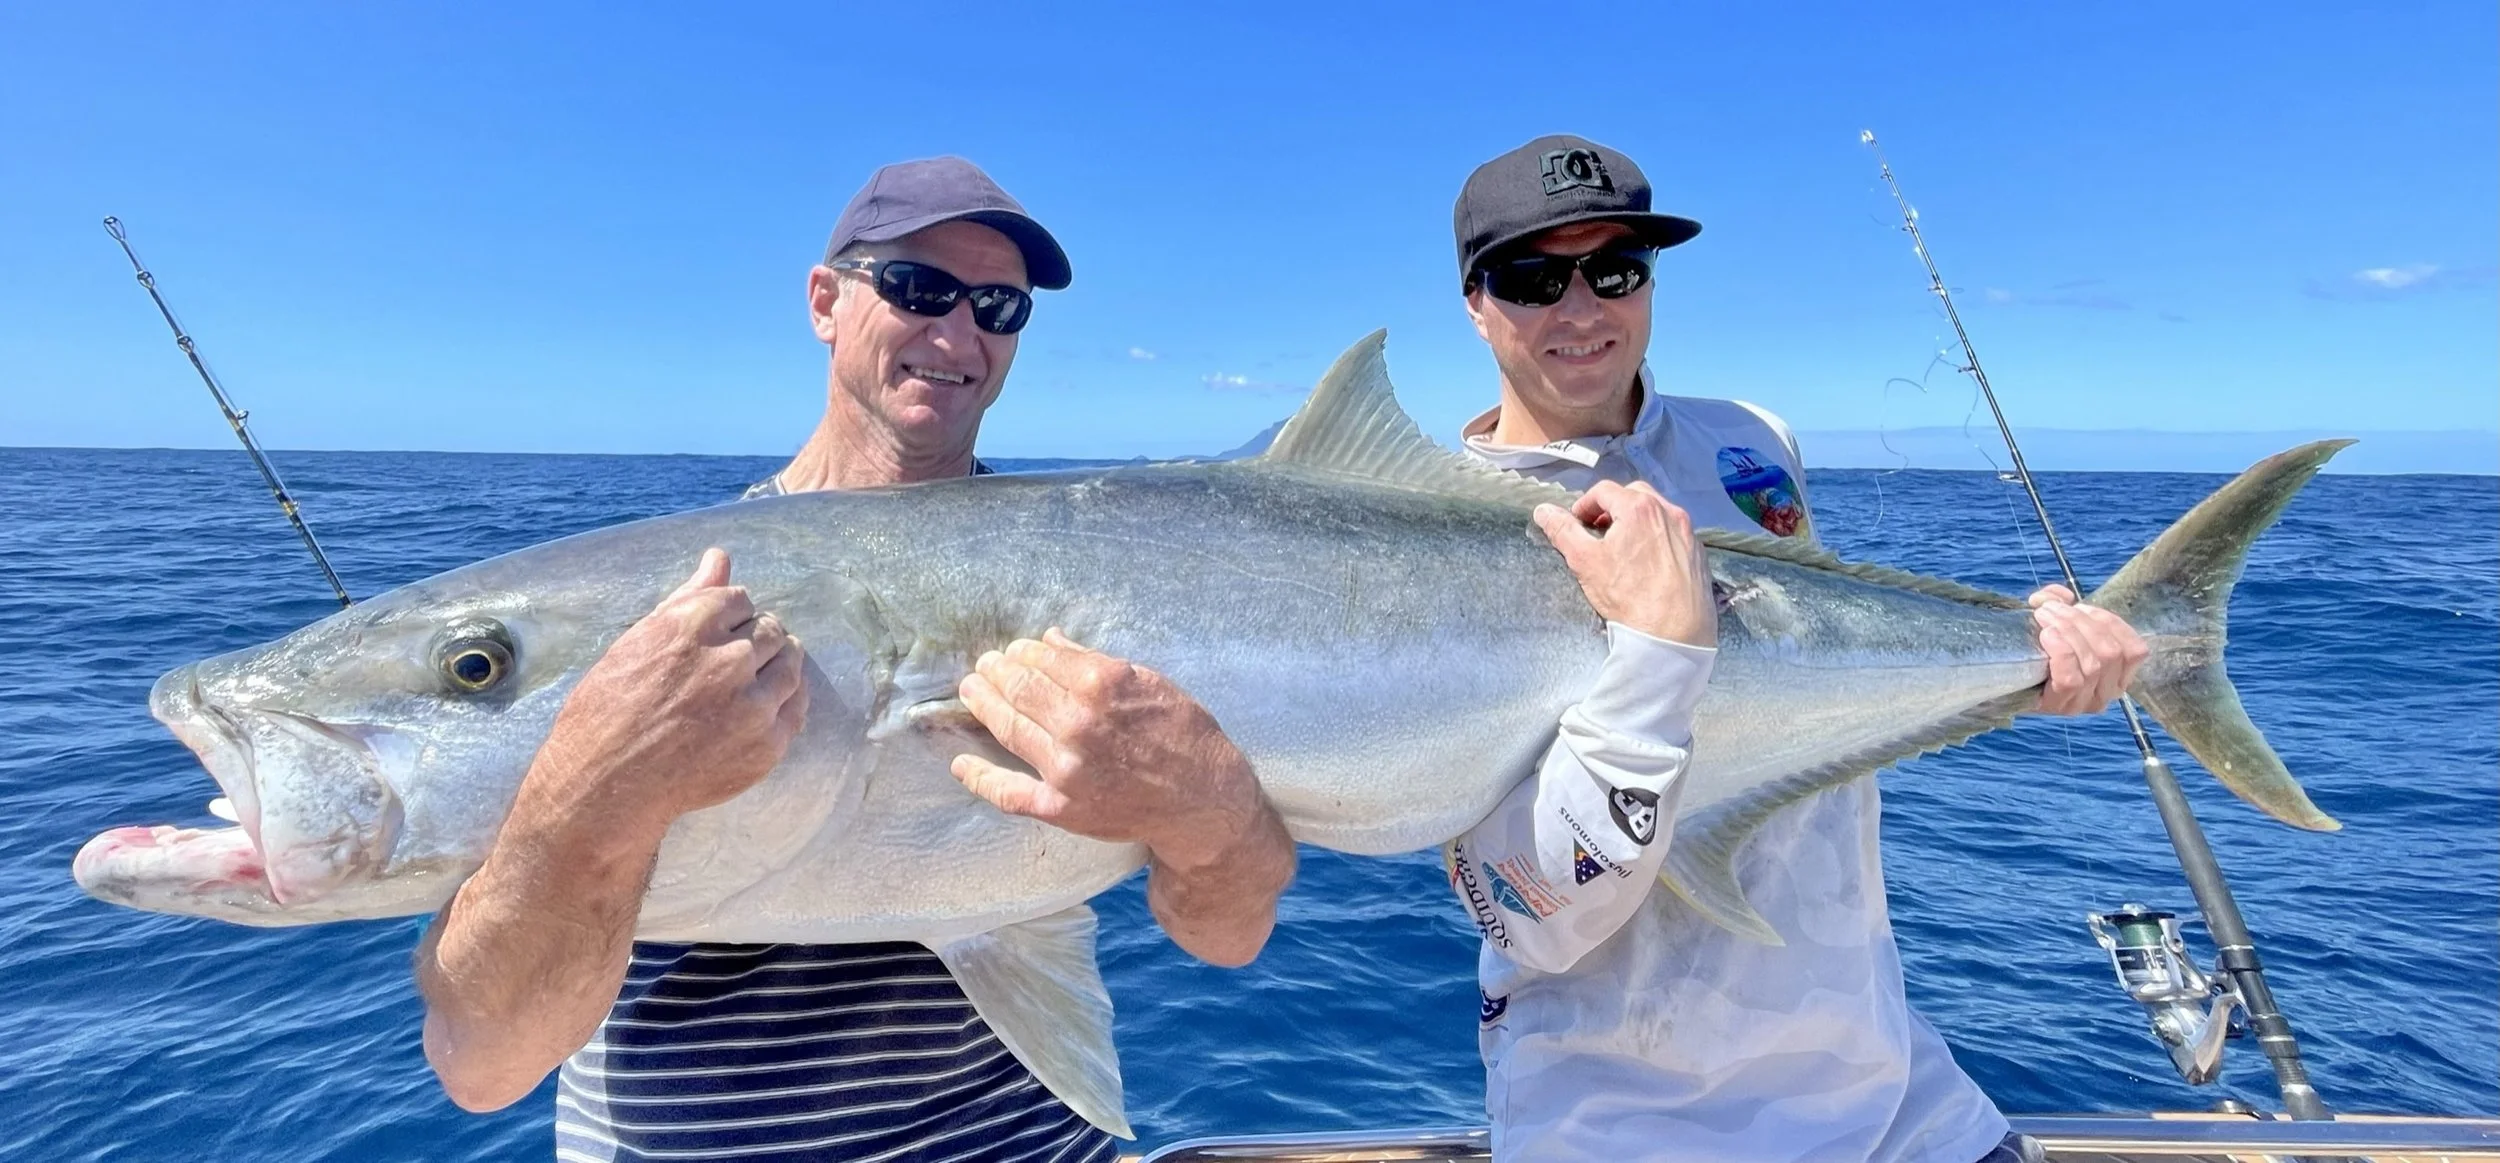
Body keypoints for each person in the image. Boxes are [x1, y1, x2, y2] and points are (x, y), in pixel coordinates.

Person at [412, 156, 1298, 1163]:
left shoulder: (1102, 587)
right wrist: (598, 787)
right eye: (918, 288)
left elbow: (1230, 937)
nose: (956, 334)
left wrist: (1212, 808)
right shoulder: (668, 604)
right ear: (825, 301)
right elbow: (482, 1065)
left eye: (997, 307)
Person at [1443, 135, 2150, 1163]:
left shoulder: (1751, 438)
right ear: (1475, 302)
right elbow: (1528, 912)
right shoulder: (1445, 523)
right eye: (1533, 278)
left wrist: (2019, 661)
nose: (1582, 307)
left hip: (1898, 1092)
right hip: (1625, 1119)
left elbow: (1820, 660)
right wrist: (1657, 651)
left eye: (1616, 268)